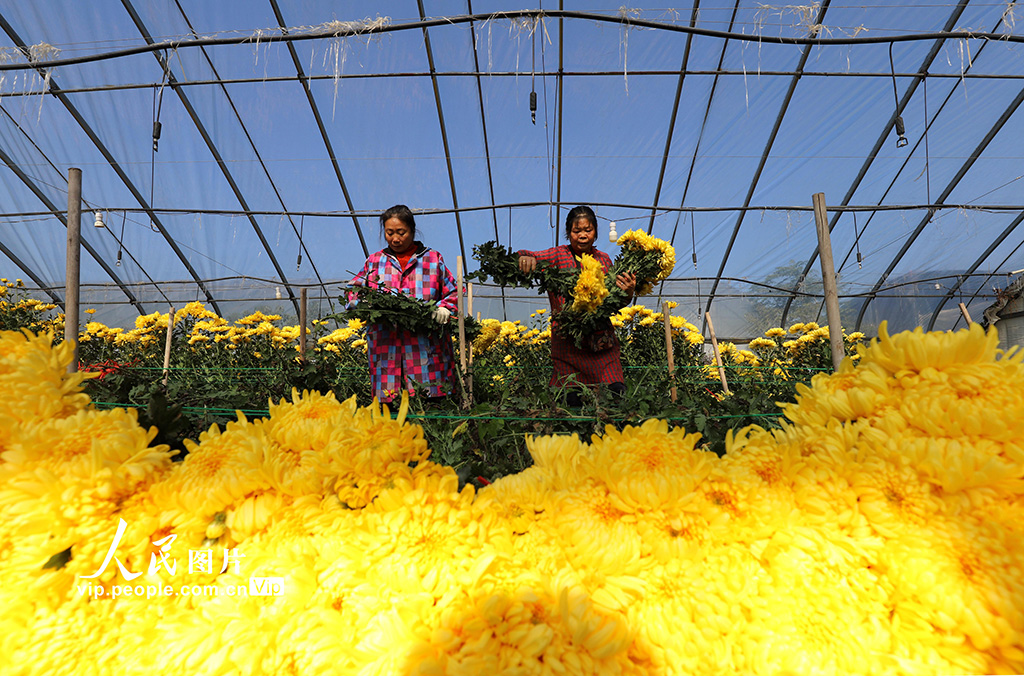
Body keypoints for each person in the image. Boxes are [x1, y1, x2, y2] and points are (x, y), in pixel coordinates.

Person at [517, 205, 636, 402]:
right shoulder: (557, 256)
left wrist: (628, 292)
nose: (582, 235)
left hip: (602, 347)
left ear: (595, 232)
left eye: (587, 230)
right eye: (576, 230)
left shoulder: (604, 261)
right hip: (568, 346)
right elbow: (529, 255)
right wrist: (524, 257)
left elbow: (616, 302)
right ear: (568, 232)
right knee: (571, 401)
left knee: (616, 395)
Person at [348, 204, 458, 403]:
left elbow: (453, 290)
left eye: (401, 232)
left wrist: (445, 308)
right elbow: (353, 290)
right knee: (389, 410)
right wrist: (364, 304)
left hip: (425, 346)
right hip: (386, 346)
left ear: (413, 231)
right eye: (389, 233)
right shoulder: (375, 261)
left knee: (428, 403)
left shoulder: (432, 259)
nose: (395, 239)